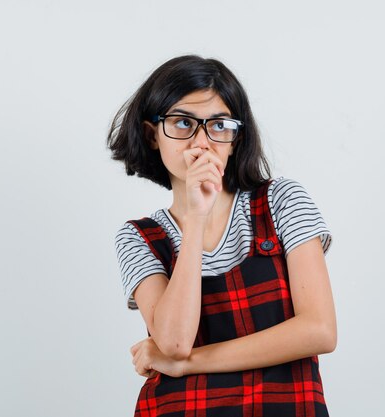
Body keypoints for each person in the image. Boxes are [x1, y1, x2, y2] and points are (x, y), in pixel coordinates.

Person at [108, 55, 337, 417]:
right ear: (153, 135)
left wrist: (188, 365)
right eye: (183, 123)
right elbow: (175, 341)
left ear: (235, 138)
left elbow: (319, 331)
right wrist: (196, 217)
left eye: (218, 125)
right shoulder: (138, 237)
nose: (201, 142)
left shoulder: (281, 202)